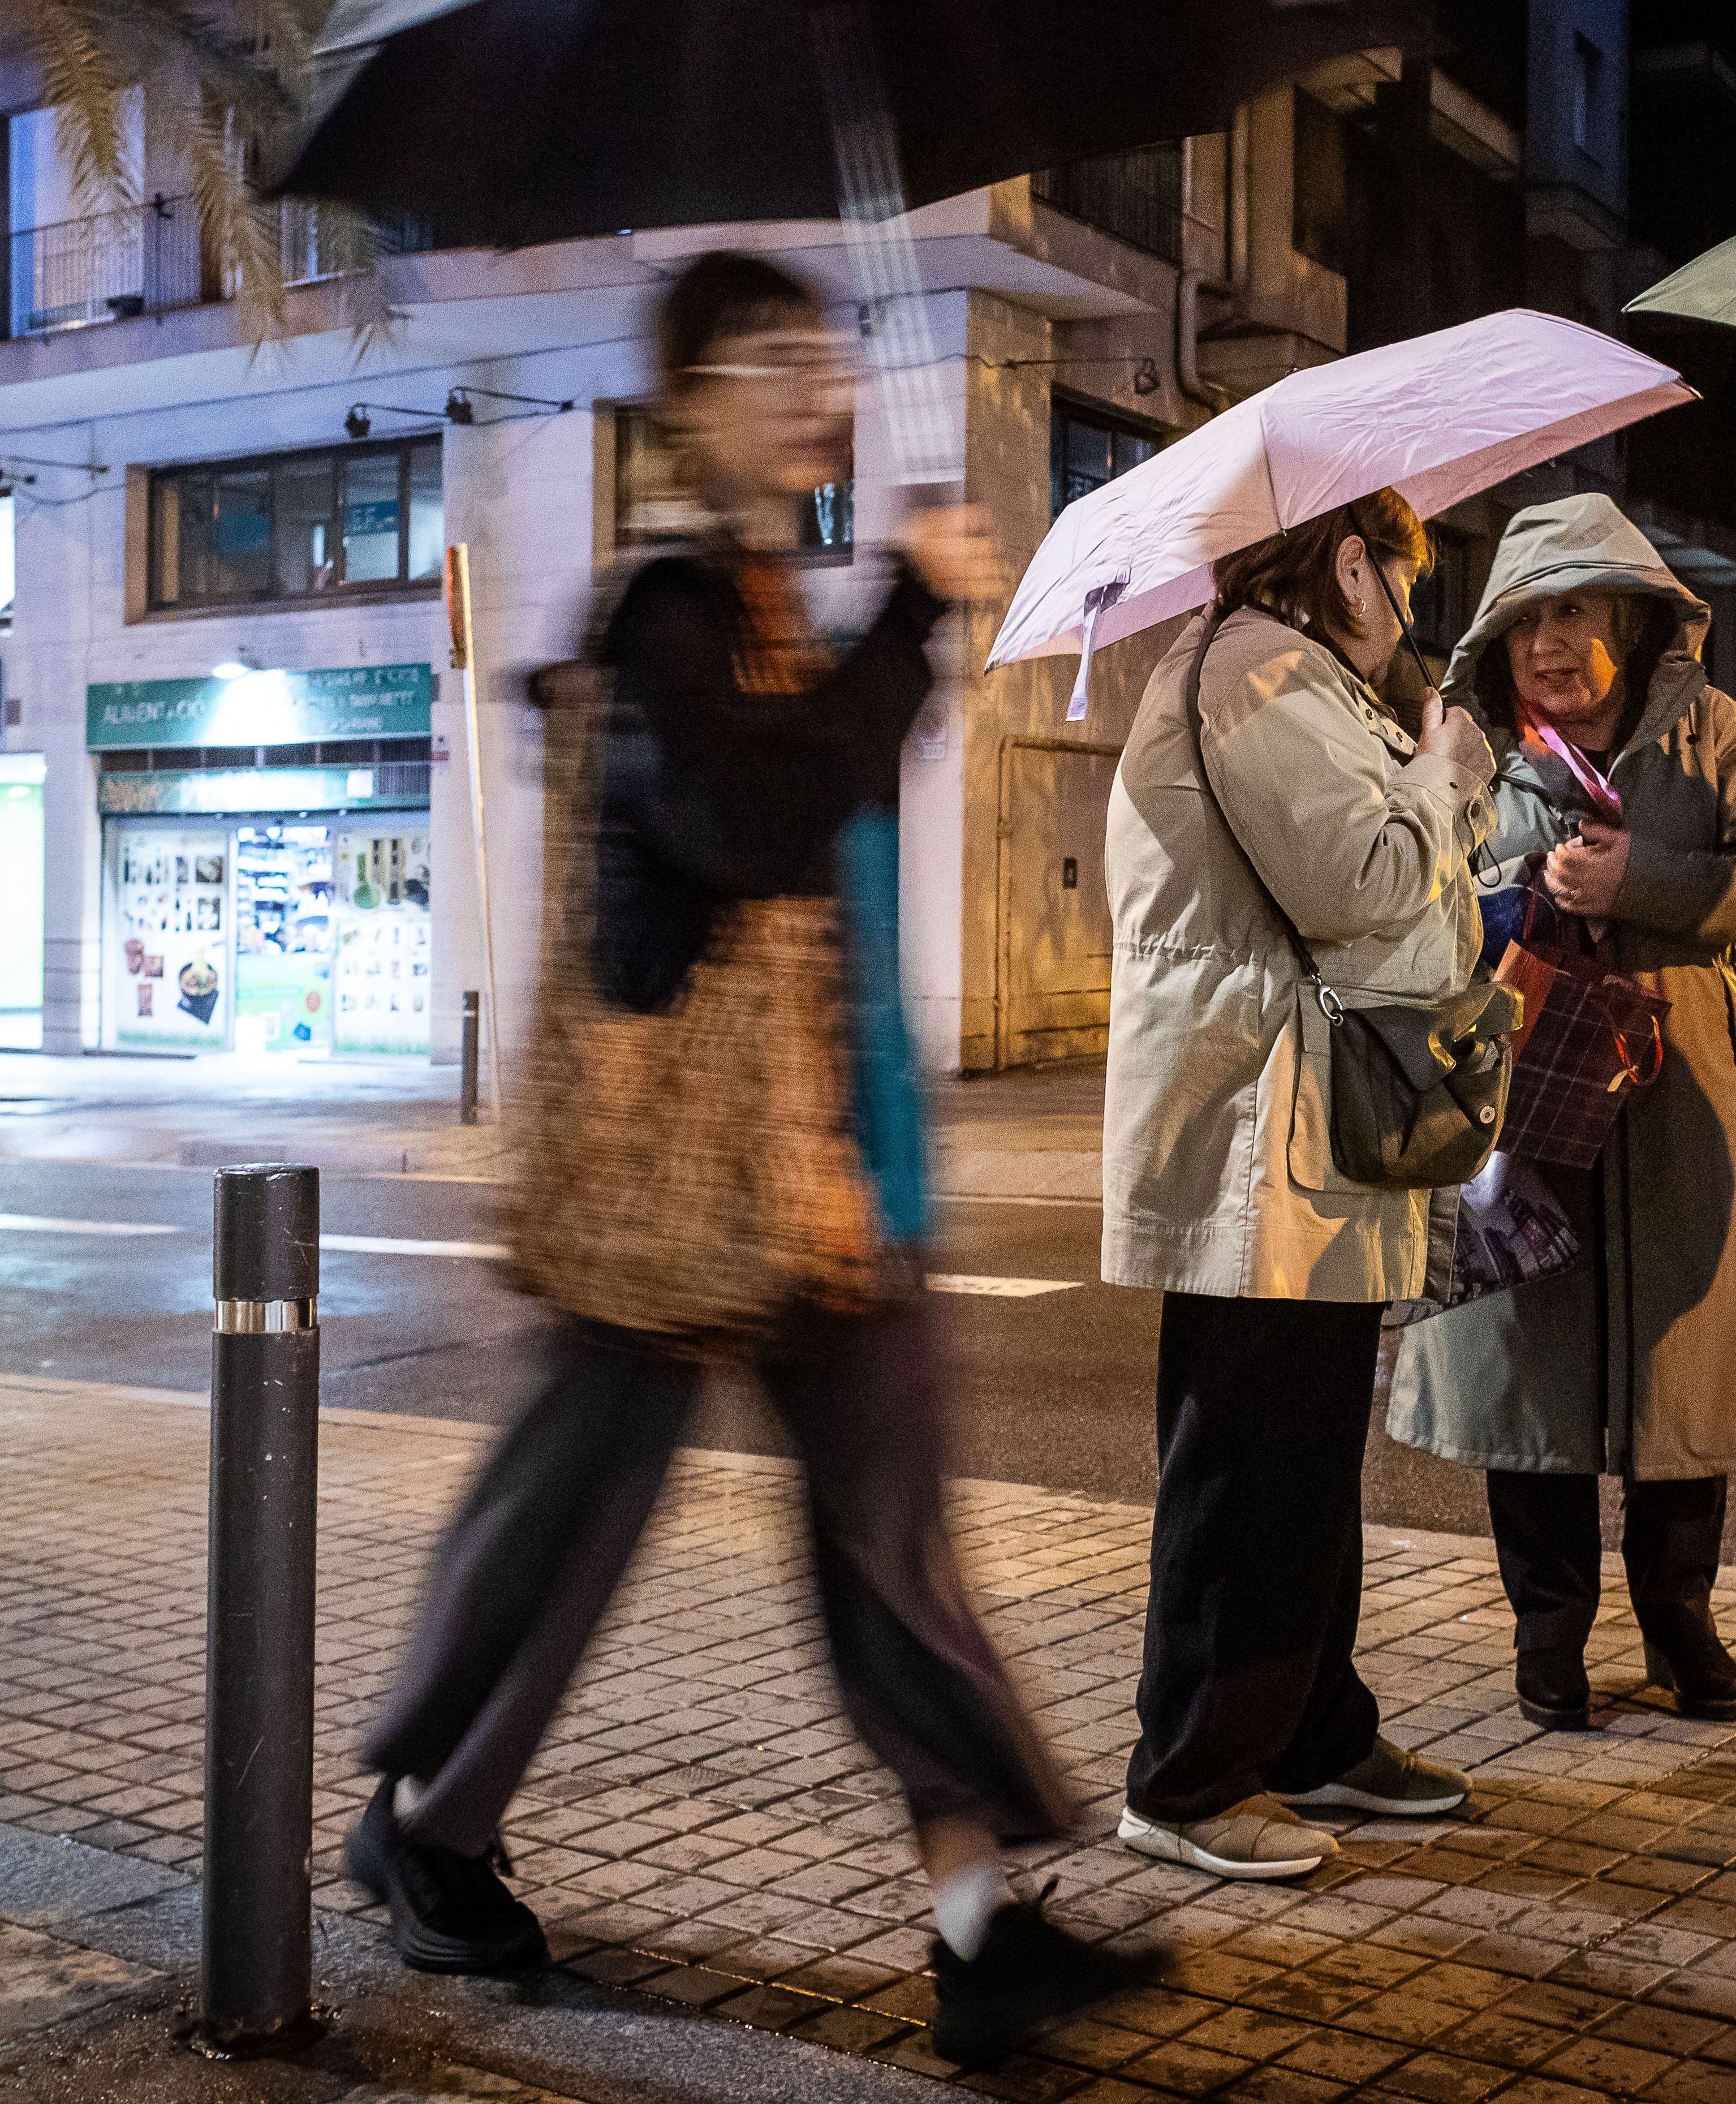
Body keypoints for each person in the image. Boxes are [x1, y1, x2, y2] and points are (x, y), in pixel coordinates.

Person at [350, 251, 1145, 2066]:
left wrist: (892, 634)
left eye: (831, 352)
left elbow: (827, 848)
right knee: (566, 1519)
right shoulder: (669, 613)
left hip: (840, 1174)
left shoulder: (790, 609)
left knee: (893, 1554)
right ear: (691, 397)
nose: (821, 385)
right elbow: (751, 819)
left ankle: (978, 1923)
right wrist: (912, 623)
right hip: (682, 1186)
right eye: (776, 358)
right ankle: (424, 1824)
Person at [1385, 494, 1736, 1731]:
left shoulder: (1715, 736)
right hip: (1524, 1095)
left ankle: (1681, 1615)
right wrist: (1508, 895)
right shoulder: (1471, 754)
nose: (1550, 641)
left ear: (1630, 623)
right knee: (1532, 1373)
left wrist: (1649, 881)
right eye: (1526, 617)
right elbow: (1413, 904)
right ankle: (1549, 1631)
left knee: (1682, 1382)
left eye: (1575, 610)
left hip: (1688, 1105)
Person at [1101, 494, 1496, 1880]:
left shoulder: (1305, 679)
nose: (1407, 599)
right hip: (1252, 1130)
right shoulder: (1253, 672)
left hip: (1314, 1127)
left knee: (1311, 1455)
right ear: (1349, 562)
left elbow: (1435, 864)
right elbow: (1367, 876)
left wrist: (1442, 766)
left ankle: (1313, 1733)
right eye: (1403, 569)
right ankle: (1194, 1773)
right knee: (1248, 1458)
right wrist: (1443, 771)